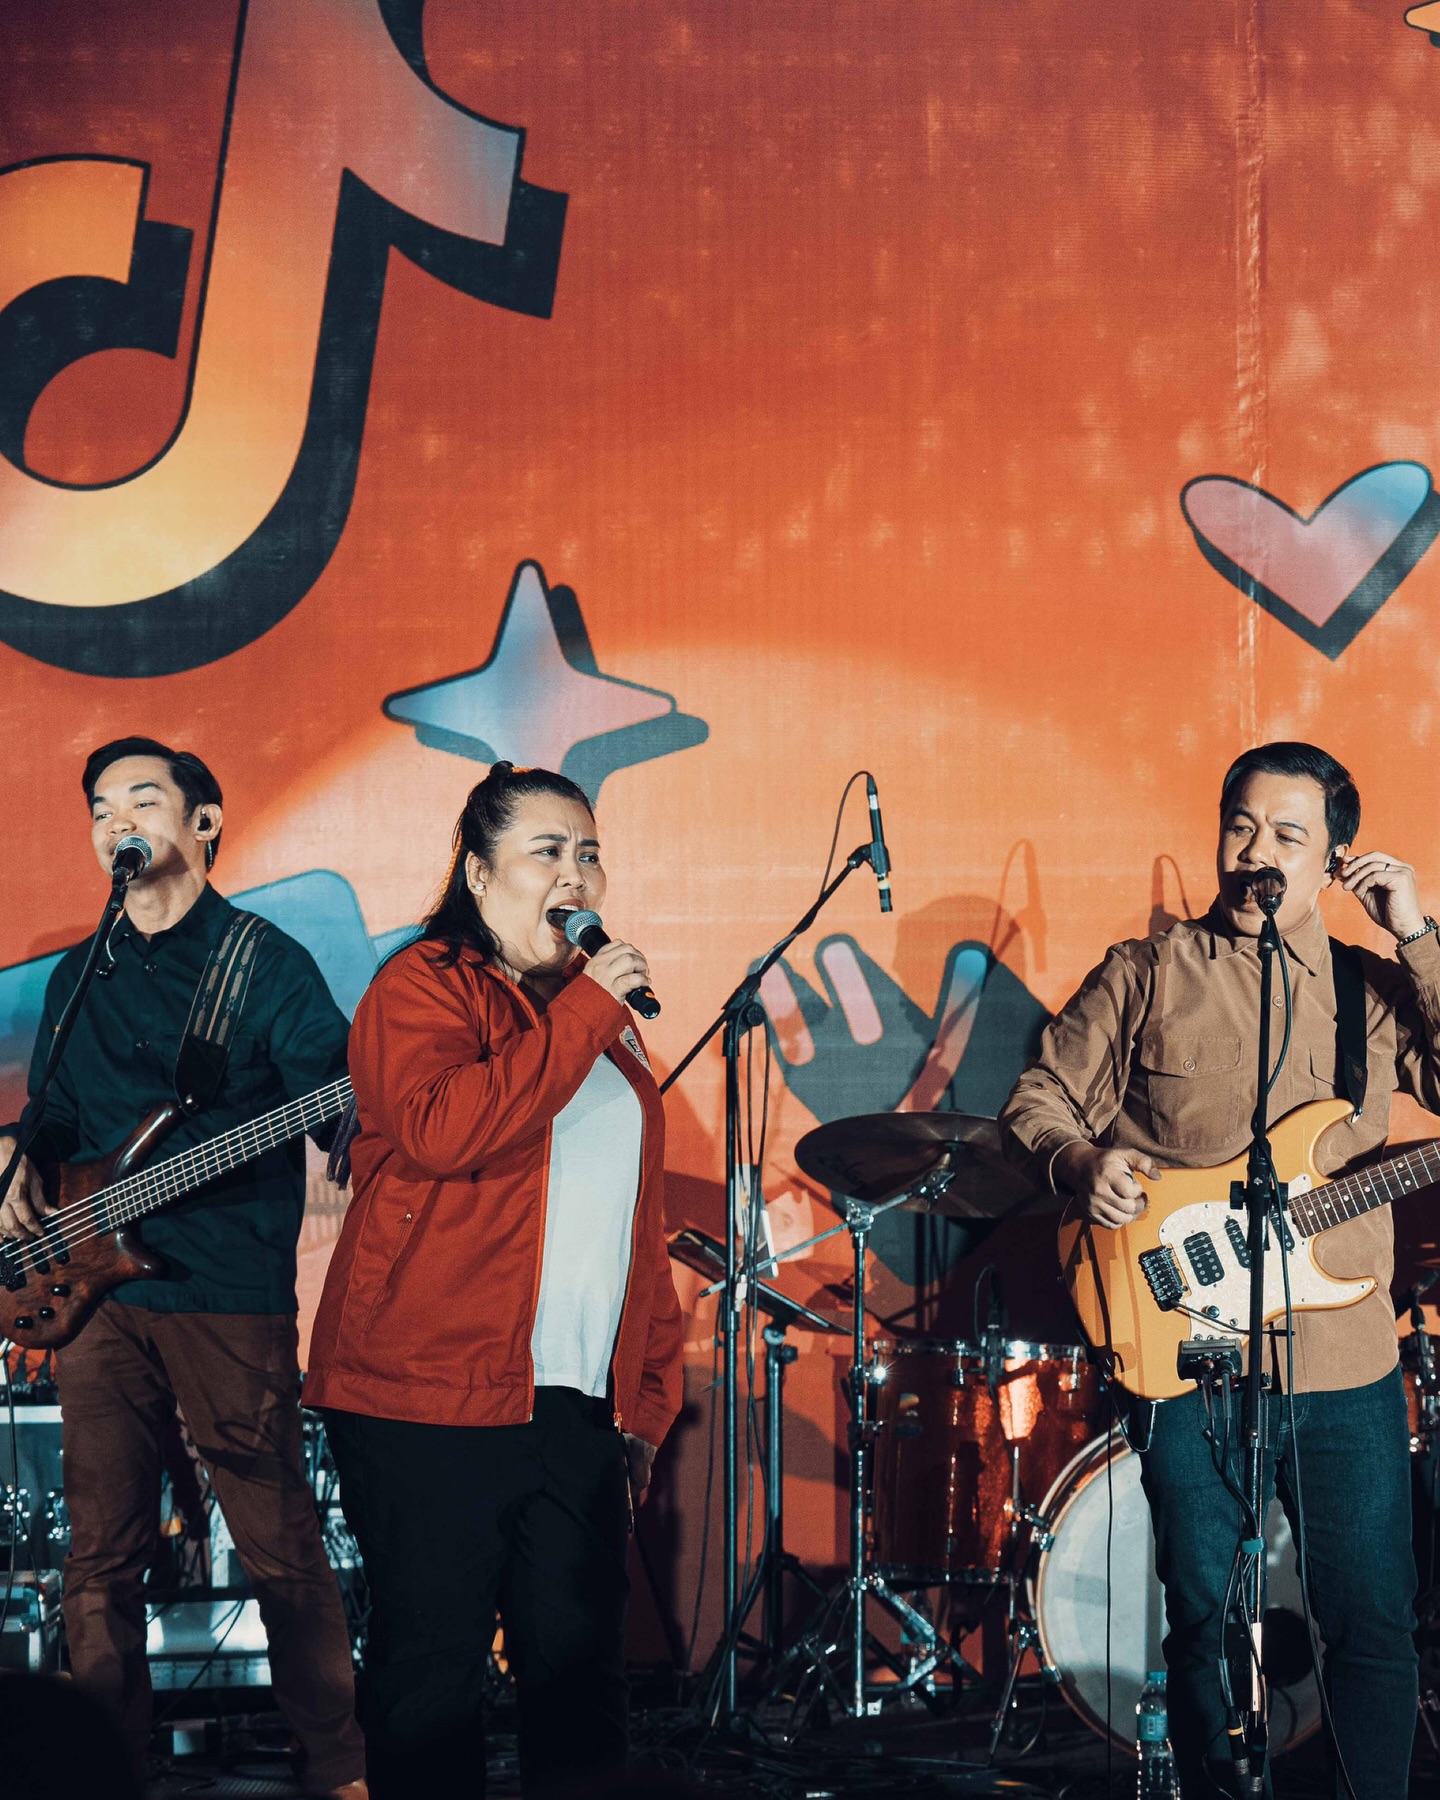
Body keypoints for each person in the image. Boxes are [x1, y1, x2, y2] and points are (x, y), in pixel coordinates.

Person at [1000, 742, 1440, 1799]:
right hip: (1186, 1345)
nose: (1256, 852)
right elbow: (1038, 1100)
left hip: (1341, 1353)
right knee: (1203, 1617)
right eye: (1240, 826)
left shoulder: (1371, 988)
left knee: (1371, 1619)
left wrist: (1420, 936)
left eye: (1288, 834)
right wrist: (1079, 1162)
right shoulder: (1148, 973)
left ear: (1334, 858)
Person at [304, 761, 684, 1799]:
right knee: (433, 1677)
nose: (577, 874)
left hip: (573, 1402)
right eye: (547, 851)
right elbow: (444, 1129)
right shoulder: (422, 986)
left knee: (581, 1680)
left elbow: (633, 1227)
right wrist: (587, 1013)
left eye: (589, 853)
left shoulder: (598, 1023)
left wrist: (646, 1397)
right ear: (478, 873)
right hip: (426, 1393)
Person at [0, 736, 365, 1798]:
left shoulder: (264, 963)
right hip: (94, 1296)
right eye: (101, 808)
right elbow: (57, 1117)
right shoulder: (80, 973)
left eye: (143, 800)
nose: (118, 821)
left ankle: (338, 1769)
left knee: (278, 1540)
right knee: (99, 1556)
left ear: (203, 824)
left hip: (226, 1289)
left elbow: (339, 1098)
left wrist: (364, 1117)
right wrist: (19, 1157)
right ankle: (105, 1773)